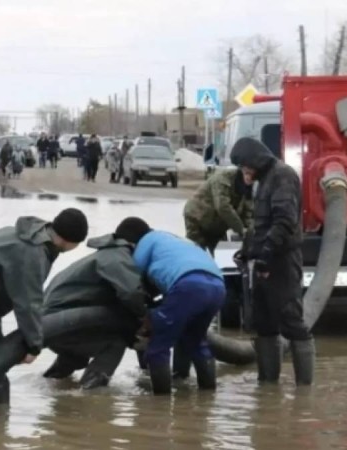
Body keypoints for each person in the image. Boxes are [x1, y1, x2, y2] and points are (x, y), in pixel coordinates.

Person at [0, 209, 89, 413]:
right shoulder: (32, 252)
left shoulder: (36, 238)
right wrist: (33, 346)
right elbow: (28, 301)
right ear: (70, 241)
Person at [230, 137, 314, 386]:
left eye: (245, 165)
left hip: (282, 260)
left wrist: (266, 256)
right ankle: (267, 385)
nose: (244, 171)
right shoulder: (263, 180)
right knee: (264, 324)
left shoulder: (282, 176)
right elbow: (259, 225)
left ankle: (304, 389)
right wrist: (247, 251)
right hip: (264, 260)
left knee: (292, 321)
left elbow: (284, 222)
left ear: (255, 159)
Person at [116, 217, 225, 395]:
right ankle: (208, 394)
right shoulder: (173, 239)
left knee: (158, 346)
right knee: (196, 342)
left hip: (189, 286)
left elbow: (134, 278)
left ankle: (161, 404)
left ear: (131, 242)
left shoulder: (145, 242)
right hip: (218, 287)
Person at [42, 227, 151, 389]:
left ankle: (49, 382)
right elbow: (132, 294)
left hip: (52, 323)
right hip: (60, 321)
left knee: (77, 356)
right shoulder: (117, 257)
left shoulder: (104, 255)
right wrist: (146, 319)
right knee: (115, 343)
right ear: (136, 244)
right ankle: (91, 392)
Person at [183, 167, 253, 254]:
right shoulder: (223, 178)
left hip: (217, 225)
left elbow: (247, 211)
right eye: (247, 173)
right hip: (198, 217)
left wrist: (249, 231)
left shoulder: (249, 187)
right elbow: (223, 207)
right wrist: (241, 229)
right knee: (197, 252)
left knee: (215, 255)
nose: (249, 177)